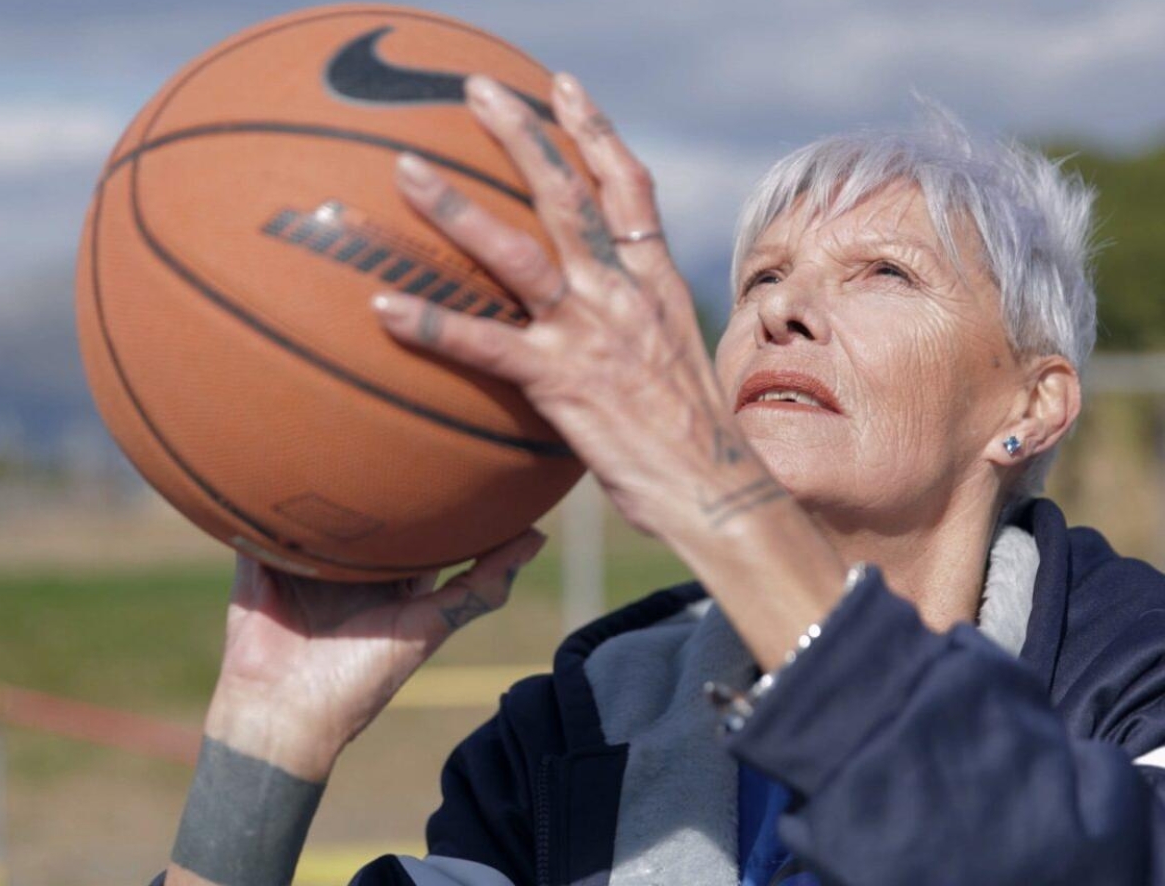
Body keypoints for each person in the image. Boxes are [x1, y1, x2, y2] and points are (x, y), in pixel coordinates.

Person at [152, 72, 1165, 886]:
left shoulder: (1131, 677)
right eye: (763, 277)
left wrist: (720, 503)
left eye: (885, 274)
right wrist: (266, 747)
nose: (782, 311)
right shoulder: (572, 733)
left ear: (1033, 407)